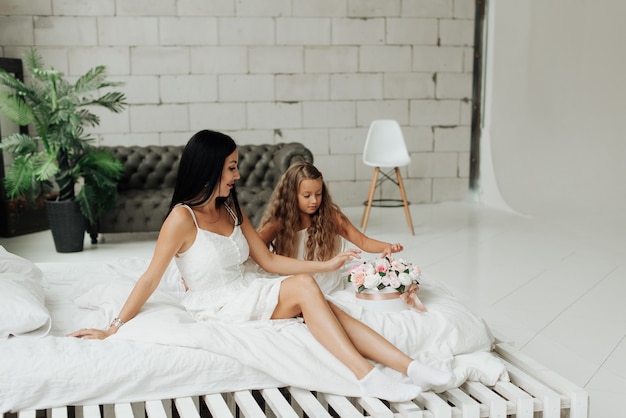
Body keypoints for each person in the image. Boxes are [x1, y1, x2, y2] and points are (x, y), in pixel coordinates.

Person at [70, 130, 451, 402]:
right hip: (216, 304)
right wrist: (112, 328)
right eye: (232, 168)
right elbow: (150, 278)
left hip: (247, 287)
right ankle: (366, 377)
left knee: (325, 307)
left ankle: (410, 367)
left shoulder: (231, 206)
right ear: (209, 169)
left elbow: (265, 259)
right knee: (304, 289)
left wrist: (329, 265)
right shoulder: (180, 220)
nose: (238, 175)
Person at [257, 161, 404, 294]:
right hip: (296, 285)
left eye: (318, 194)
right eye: (307, 196)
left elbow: (363, 241)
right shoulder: (279, 222)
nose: (314, 201)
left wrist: (388, 246)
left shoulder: (331, 216)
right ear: (291, 195)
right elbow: (254, 247)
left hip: (326, 283)